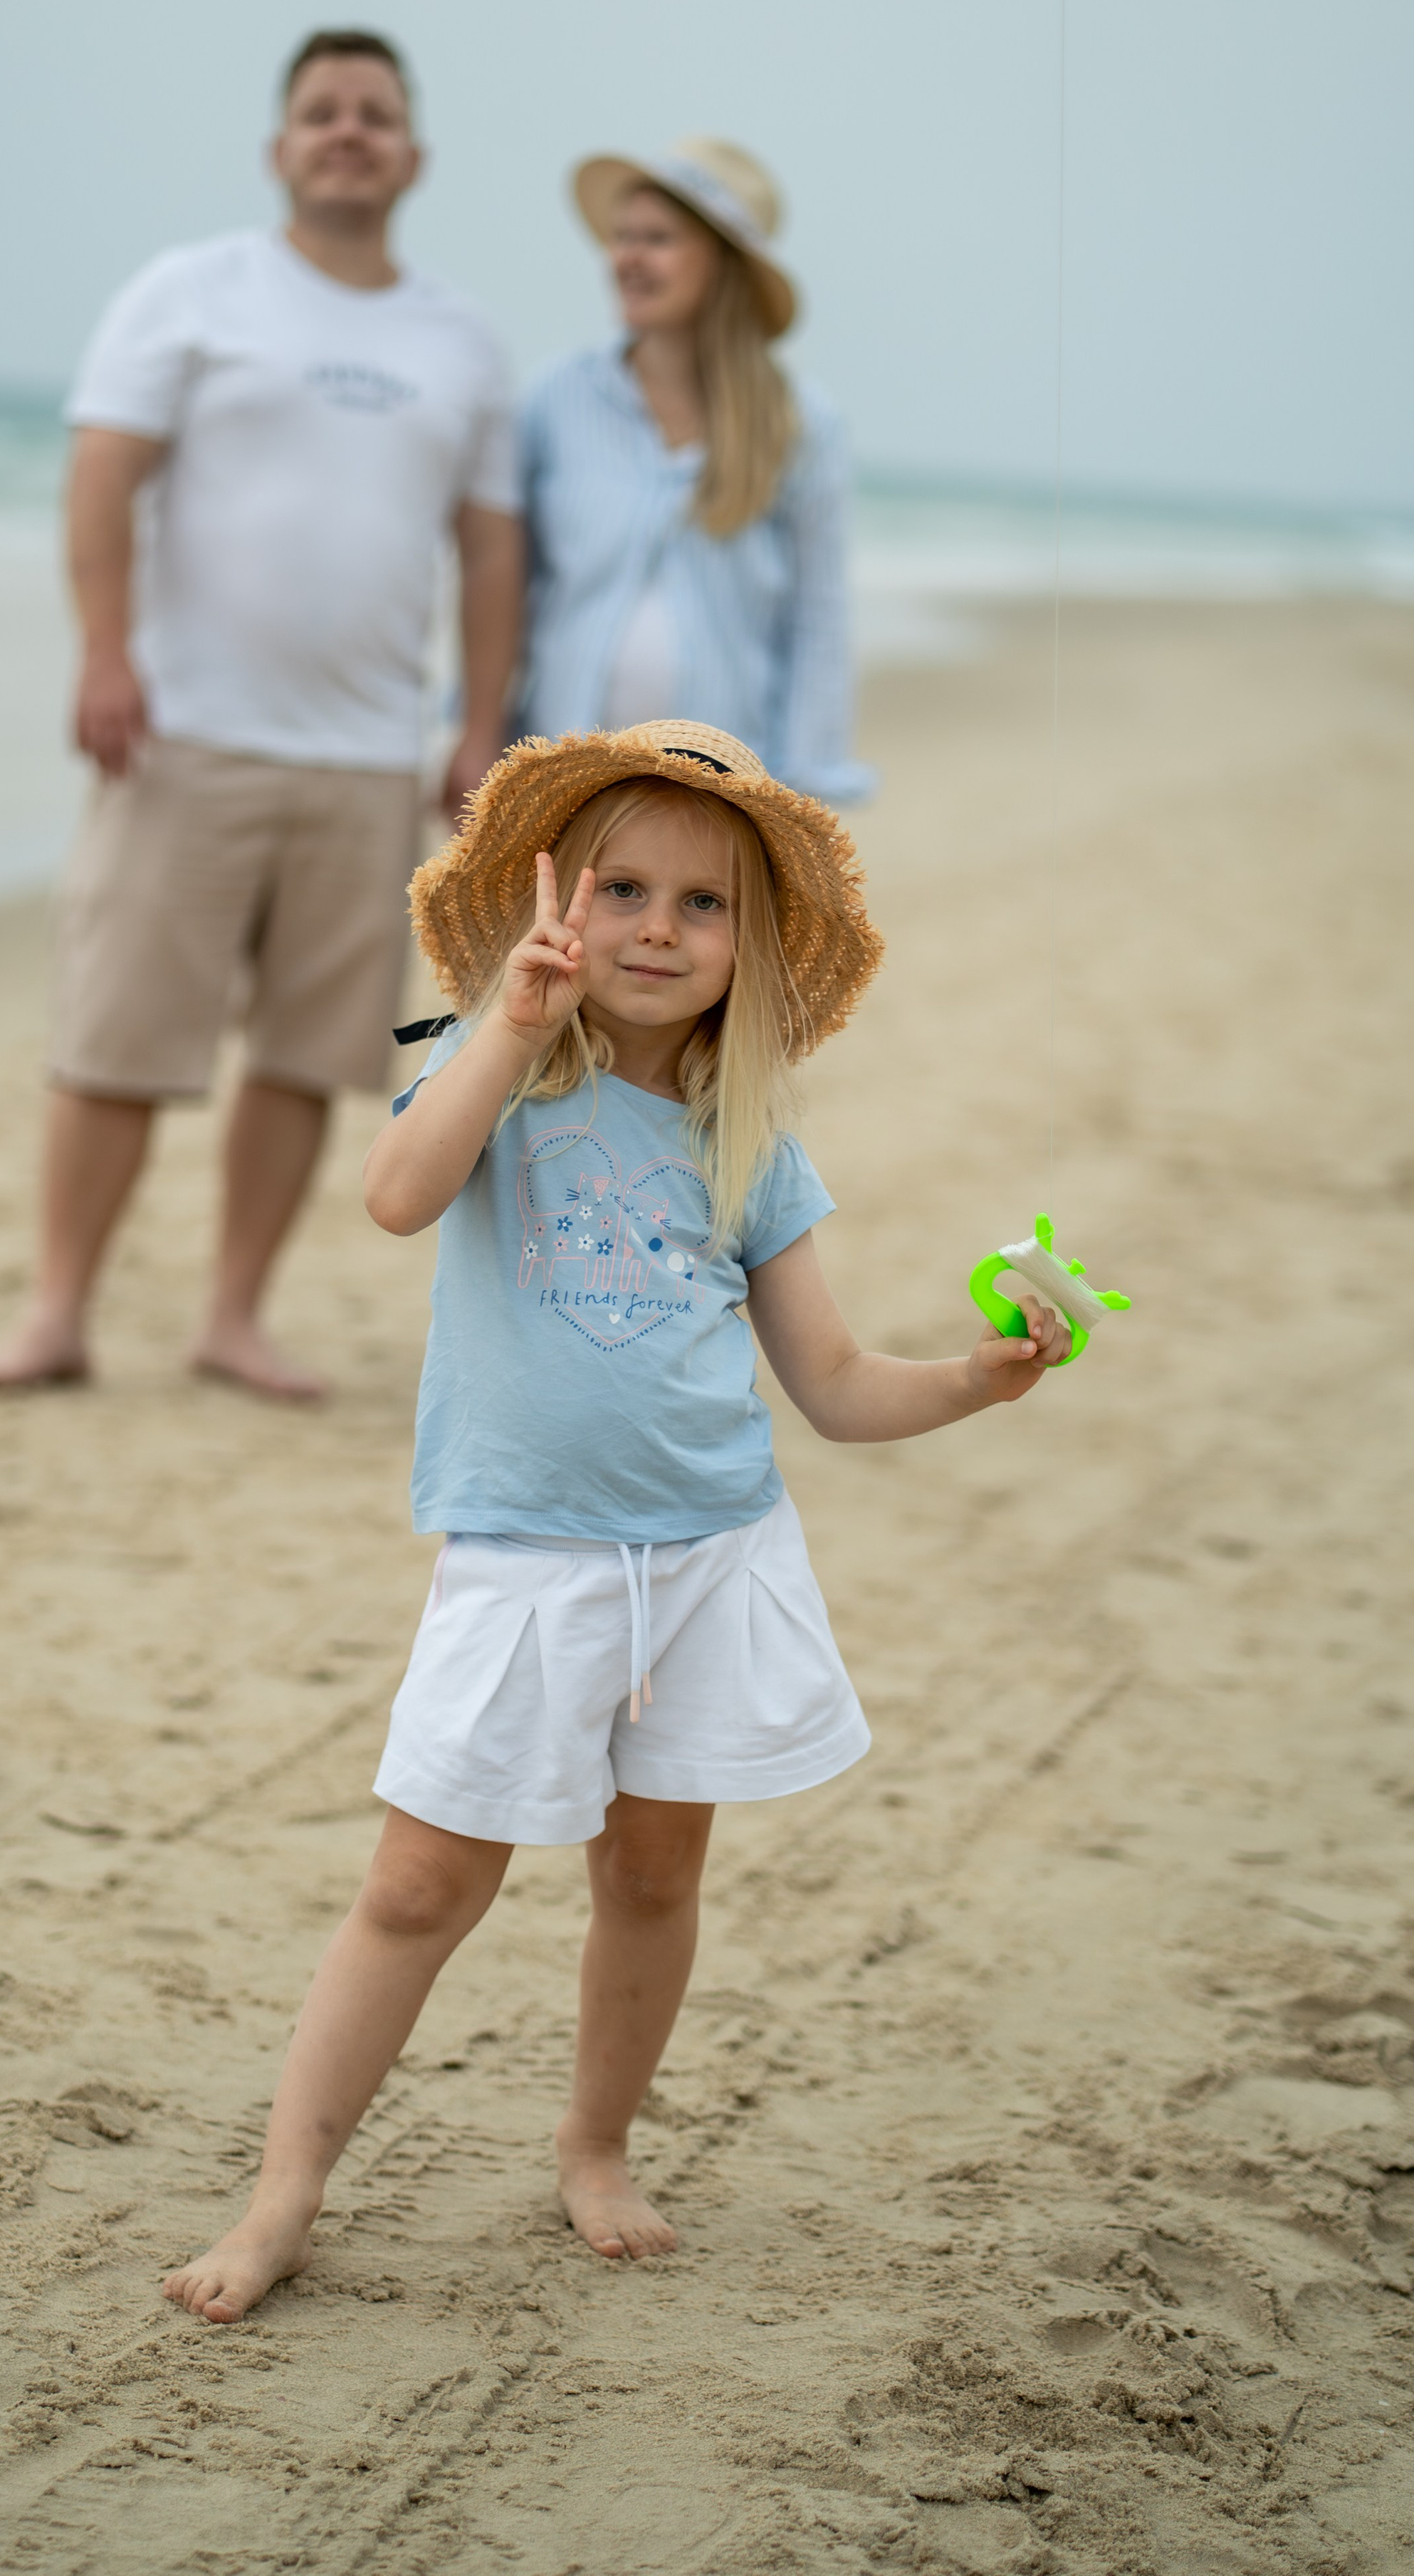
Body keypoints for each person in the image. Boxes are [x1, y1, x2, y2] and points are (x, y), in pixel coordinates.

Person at [162, 720, 1073, 2324]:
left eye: (703, 905)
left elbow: (838, 1386)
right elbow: (391, 1197)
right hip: (526, 1558)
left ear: (752, 946)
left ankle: (594, 2146)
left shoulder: (750, 1142)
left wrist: (980, 1382)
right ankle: (285, 2192)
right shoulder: (498, 1069)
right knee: (418, 1886)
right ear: (552, 905)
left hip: (712, 1559)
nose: (657, 928)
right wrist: (510, 1027)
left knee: (650, 1881)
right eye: (623, 889)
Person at [0, 29, 523, 1401]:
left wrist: (478, 726)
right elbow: (105, 475)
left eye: (376, 115)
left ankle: (231, 1317)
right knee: (116, 1038)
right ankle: (55, 1312)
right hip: (187, 739)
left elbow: (493, 544)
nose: (349, 131)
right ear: (280, 149)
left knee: (307, 1054)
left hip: (364, 761)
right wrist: (105, 655)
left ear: (416, 157)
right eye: (323, 112)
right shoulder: (192, 291)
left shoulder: (462, 341)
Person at [473, 140, 872, 816]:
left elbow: (817, 621)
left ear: (723, 264)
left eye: (657, 239)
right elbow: (509, 585)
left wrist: (806, 784)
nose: (626, 259)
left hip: (724, 795)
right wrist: (477, 733)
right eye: (621, 238)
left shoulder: (799, 425)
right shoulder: (557, 401)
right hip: (565, 784)